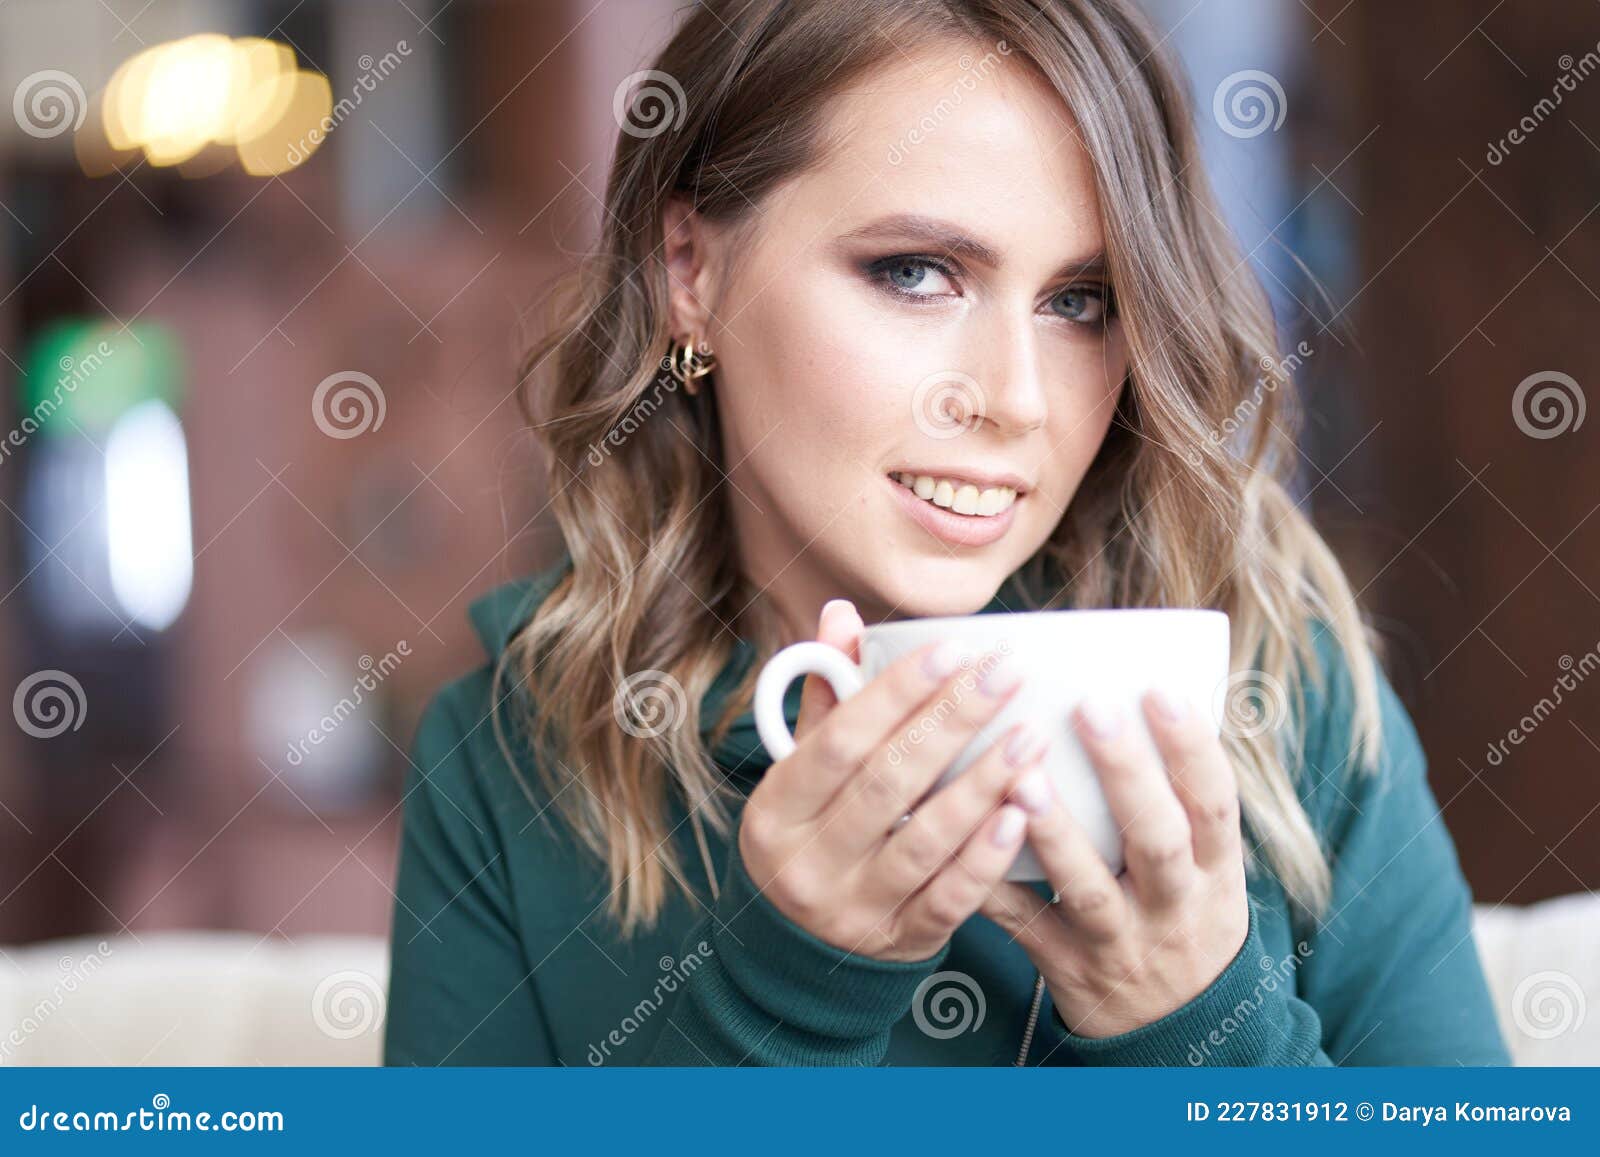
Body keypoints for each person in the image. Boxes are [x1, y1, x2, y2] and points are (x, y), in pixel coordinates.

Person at [382, 0, 1509, 1067]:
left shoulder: (1282, 690)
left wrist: (1200, 1024)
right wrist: (783, 998)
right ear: (692, 270)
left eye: (1080, 300)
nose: (1016, 398)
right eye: (915, 273)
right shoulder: (510, 754)